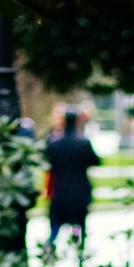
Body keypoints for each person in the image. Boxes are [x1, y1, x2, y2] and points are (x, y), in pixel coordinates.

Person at [44, 105, 100, 250]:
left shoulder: (53, 143)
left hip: (60, 190)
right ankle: (79, 246)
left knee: (55, 224)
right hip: (80, 190)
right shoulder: (83, 143)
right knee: (79, 222)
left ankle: (50, 248)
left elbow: (45, 161)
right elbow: (96, 161)